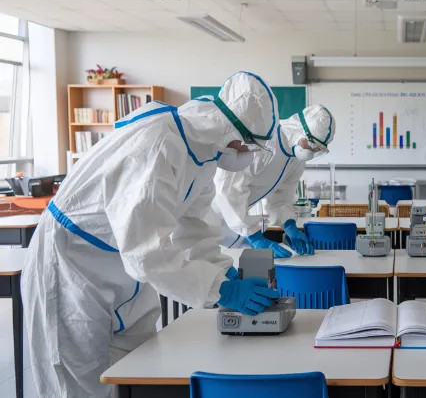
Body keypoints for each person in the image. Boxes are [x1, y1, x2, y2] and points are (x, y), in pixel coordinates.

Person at [22, 71, 283, 397]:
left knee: (140, 369)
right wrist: (223, 290)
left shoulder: (204, 155)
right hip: (73, 264)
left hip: (125, 266)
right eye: (249, 146)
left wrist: (221, 271)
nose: (248, 155)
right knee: (78, 381)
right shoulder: (158, 144)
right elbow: (146, 252)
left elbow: (194, 226)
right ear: (229, 130)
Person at [213, 105, 336, 257]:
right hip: (210, 214)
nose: (312, 151)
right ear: (301, 132)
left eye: (317, 149)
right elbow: (228, 190)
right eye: (312, 145)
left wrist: (290, 225)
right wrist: (254, 236)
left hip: (237, 224)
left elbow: (282, 196)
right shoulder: (265, 141)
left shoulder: (297, 160)